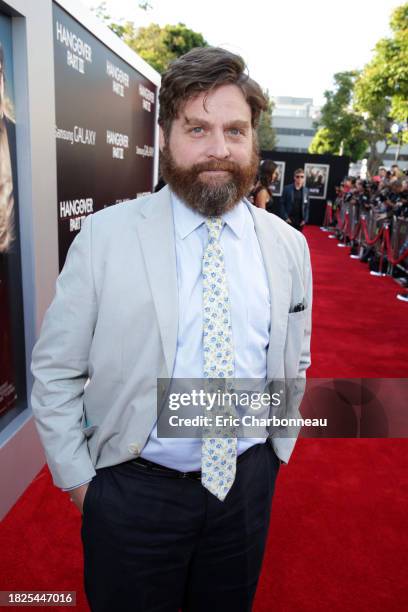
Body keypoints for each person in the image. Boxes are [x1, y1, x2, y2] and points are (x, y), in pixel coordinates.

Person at [31, 46, 312, 612]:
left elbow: (292, 361)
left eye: (235, 130)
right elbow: (55, 371)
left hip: (245, 491)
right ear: (165, 136)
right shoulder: (105, 239)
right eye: (197, 128)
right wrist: (85, 487)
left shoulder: (288, 246)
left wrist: (275, 452)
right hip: (133, 493)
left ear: (253, 140)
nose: (218, 148)